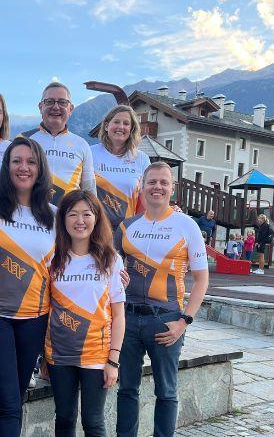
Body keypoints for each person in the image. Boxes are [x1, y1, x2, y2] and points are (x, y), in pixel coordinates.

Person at [115, 162, 210, 437]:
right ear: (142, 187)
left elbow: (202, 280)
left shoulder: (186, 225)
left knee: (166, 392)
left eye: (163, 182)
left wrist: (184, 321)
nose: (157, 187)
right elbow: (107, 269)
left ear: (172, 188)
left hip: (166, 320)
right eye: (152, 182)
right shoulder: (126, 226)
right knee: (127, 389)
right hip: (129, 319)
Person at [0, 136, 56, 436]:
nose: (23, 167)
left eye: (30, 161)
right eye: (16, 161)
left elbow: (82, 253)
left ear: (40, 169)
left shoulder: (53, 214)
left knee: (16, 399)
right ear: (6, 166)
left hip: (35, 321)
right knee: (8, 403)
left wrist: (115, 270)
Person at [43, 189, 126, 437]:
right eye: (73, 214)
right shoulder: (51, 258)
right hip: (58, 353)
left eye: (86, 214)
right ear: (63, 219)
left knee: (93, 422)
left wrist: (113, 360)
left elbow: (119, 314)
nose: (80, 221)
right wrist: (43, 357)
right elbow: (46, 309)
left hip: (97, 354)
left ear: (96, 218)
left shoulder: (111, 260)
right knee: (65, 418)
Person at [20, 82, 94, 205]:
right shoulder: (23, 139)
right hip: (29, 216)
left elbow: (89, 190)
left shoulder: (82, 144)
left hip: (67, 218)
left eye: (62, 102)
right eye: (49, 101)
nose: (55, 107)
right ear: (40, 107)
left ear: (70, 109)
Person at [91, 105, 150, 231]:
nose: (121, 127)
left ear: (131, 129)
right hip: (94, 227)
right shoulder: (90, 152)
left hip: (126, 229)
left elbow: (148, 196)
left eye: (126, 123)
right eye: (116, 122)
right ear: (106, 126)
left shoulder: (142, 159)